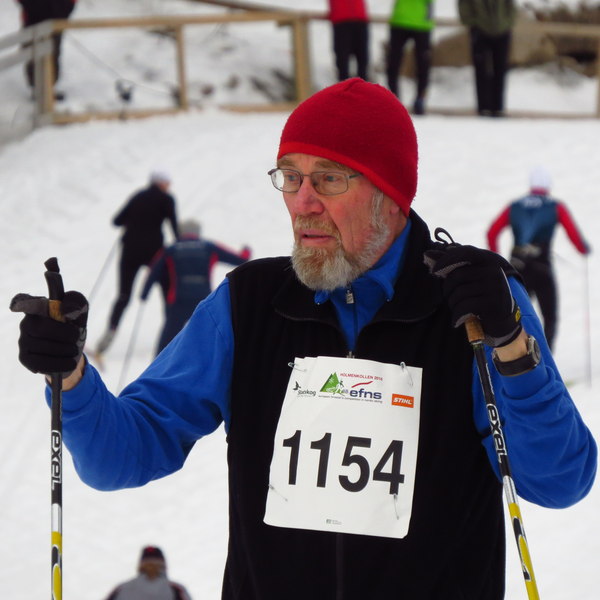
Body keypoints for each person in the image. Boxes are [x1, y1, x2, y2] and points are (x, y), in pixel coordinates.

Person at [12, 78, 597, 600]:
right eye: (290, 177)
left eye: (329, 179)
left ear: (390, 193)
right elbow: (120, 454)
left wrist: (511, 347)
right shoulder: (247, 303)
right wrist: (70, 375)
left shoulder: (470, 300)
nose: (303, 202)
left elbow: (559, 480)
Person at [487, 165, 590, 350]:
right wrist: (583, 249)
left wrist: (498, 259)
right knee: (549, 317)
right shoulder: (555, 206)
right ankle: (545, 357)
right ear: (548, 186)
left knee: (517, 315)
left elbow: (492, 232)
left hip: (517, 268)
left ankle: (519, 356)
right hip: (542, 267)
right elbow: (573, 235)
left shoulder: (514, 206)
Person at [95, 169, 179, 358]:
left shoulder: (138, 196)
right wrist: (181, 245)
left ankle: (110, 332)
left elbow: (117, 221)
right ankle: (173, 331)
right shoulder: (167, 199)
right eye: (167, 182)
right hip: (155, 253)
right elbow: (174, 226)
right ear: (161, 182)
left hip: (130, 252)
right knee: (168, 291)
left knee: (124, 294)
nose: (169, 186)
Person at [140, 219, 251, 356]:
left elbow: (154, 272)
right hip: (203, 299)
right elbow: (239, 259)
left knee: (168, 338)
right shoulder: (208, 247)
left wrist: (144, 293)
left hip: (178, 300)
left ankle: (158, 363)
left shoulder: (171, 249)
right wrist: (246, 251)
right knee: (208, 336)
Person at [458, 0, 516, 117]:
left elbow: (510, 5)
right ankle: (483, 107)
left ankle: (498, 107)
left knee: (500, 69)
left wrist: (508, 21)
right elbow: (464, 4)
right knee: (481, 70)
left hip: (502, 29)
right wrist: (471, 21)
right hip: (480, 30)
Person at [16, 0, 77, 99]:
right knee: (33, 53)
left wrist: (64, 10)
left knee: (53, 53)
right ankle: (36, 89)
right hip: (32, 19)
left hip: (56, 18)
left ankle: (49, 88)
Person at [386, 0, 435, 115]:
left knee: (423, 64)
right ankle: (393, 99)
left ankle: (419, 100)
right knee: (394, 63)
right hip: (400, 20)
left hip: (421, 22)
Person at [104, 545, 192, 600]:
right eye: (148, 565)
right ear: (142, 567)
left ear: (162, 567)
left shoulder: (176, 589)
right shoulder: (122, 589)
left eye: (155, 565)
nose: (151, 568)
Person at [327, 0, 369, 81]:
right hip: (342, 21)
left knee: (362, 60)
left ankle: (361, 87)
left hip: (359, 20)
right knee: (342, 62)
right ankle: (345, 87)